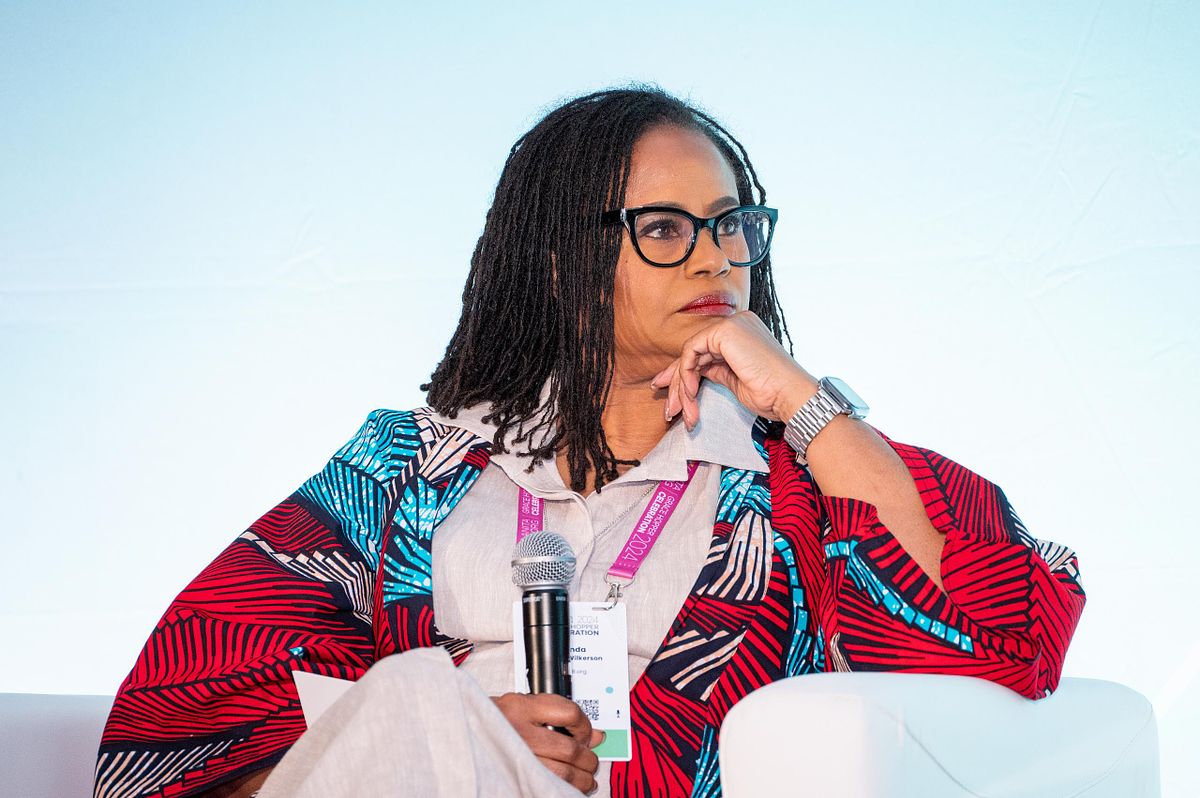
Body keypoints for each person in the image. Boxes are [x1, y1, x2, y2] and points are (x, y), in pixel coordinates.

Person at [93, 85, 1087, 798]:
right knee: (411, 702)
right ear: (562, 261)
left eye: (732, 223)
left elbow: (1010, 632)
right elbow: (177, 729)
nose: (714, 254)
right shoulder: (409, 469)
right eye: (664, 227)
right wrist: (456, 733)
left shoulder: (790, 483)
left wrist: (795, 394)